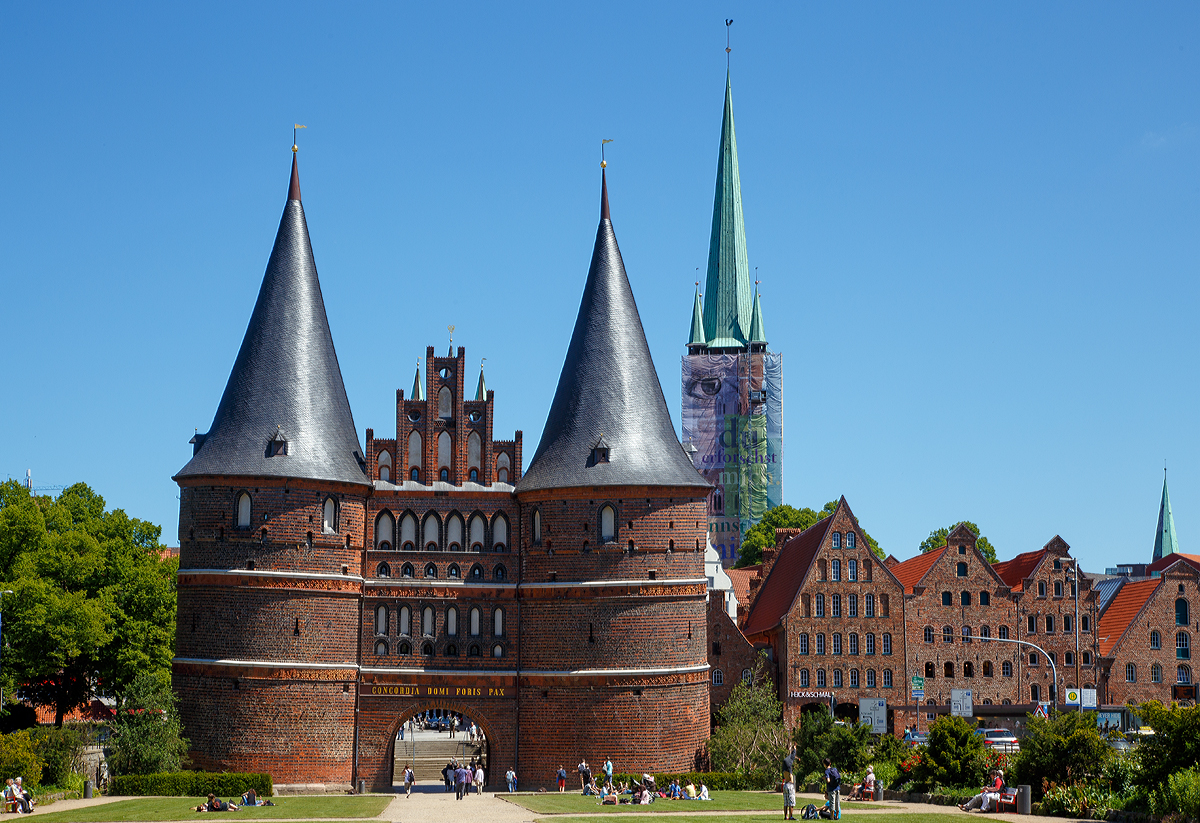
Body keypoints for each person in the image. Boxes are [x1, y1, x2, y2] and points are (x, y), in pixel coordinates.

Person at [782, 747, 797, 820]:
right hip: (790, 785)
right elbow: (792, 756)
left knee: (785, 802)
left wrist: (794, 749)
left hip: (785, 785)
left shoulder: (784, 770)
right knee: (791, 802)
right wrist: (795, 749)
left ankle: (785, 816)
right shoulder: (789, 769)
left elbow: (792, 756)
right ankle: (791, 816)